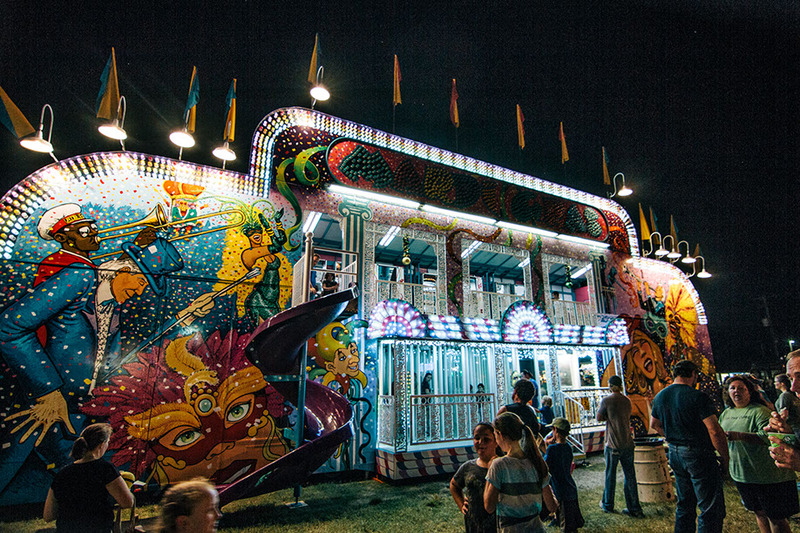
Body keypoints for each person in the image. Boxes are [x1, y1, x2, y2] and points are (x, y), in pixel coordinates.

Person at [650, 360, 728, 533]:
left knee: (685, 504)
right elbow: (714, 430)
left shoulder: (660, 396)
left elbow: (654, 424)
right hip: (698, 453)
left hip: (675, 452)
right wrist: (725, 457)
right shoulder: (698, 396)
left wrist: (670, 436)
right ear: (693, 374)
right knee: (710, 507)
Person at [719, 375, 797, 533]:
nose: (736, 391)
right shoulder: (726, 413)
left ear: (749, 392)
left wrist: (739, 435)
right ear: (727, 392)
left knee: (776, 517)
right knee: (759, 513)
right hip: (743, 475)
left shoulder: (760, 411)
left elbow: (770, 437)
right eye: (732, 388)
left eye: (741, 388)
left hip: (768, 476)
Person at [43, 423, 134, 533]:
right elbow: (128, 502)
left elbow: (48, 515)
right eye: (108, 443)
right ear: (101, 445)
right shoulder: (105, 469)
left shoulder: (62, 474)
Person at [485, 412, 557, 533]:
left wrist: (489, 472)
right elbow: (552, 506)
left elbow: (489, 506)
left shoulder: (499, 465)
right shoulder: (537, 462)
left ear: (500, 435)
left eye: (495, 436)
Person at [597, 375, 643, 517]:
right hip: (628, 443)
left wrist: (607, 417)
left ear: (610, 386)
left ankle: (608, 504)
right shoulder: (626, 401)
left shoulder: (607, 400)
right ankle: (634, 507)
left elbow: (599, 417)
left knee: (610, 474)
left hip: (613, 443)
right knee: (630, 476)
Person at [450, 422, 498, 532]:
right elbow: (454, 485)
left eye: (486, 439)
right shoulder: (468, 467)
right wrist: (461, 504)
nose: (481, 442)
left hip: (497, 524)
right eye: (477, 438)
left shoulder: (502, 465)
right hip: (474, 525)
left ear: (496, 442)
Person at [543, 418, 585, 532]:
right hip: (570, 486)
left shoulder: (552, 449)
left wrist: (546, 447)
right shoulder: (568, 448)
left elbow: (545, 466)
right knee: (571, 518)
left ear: (555, 430)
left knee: (566, 523)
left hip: (560, 489)